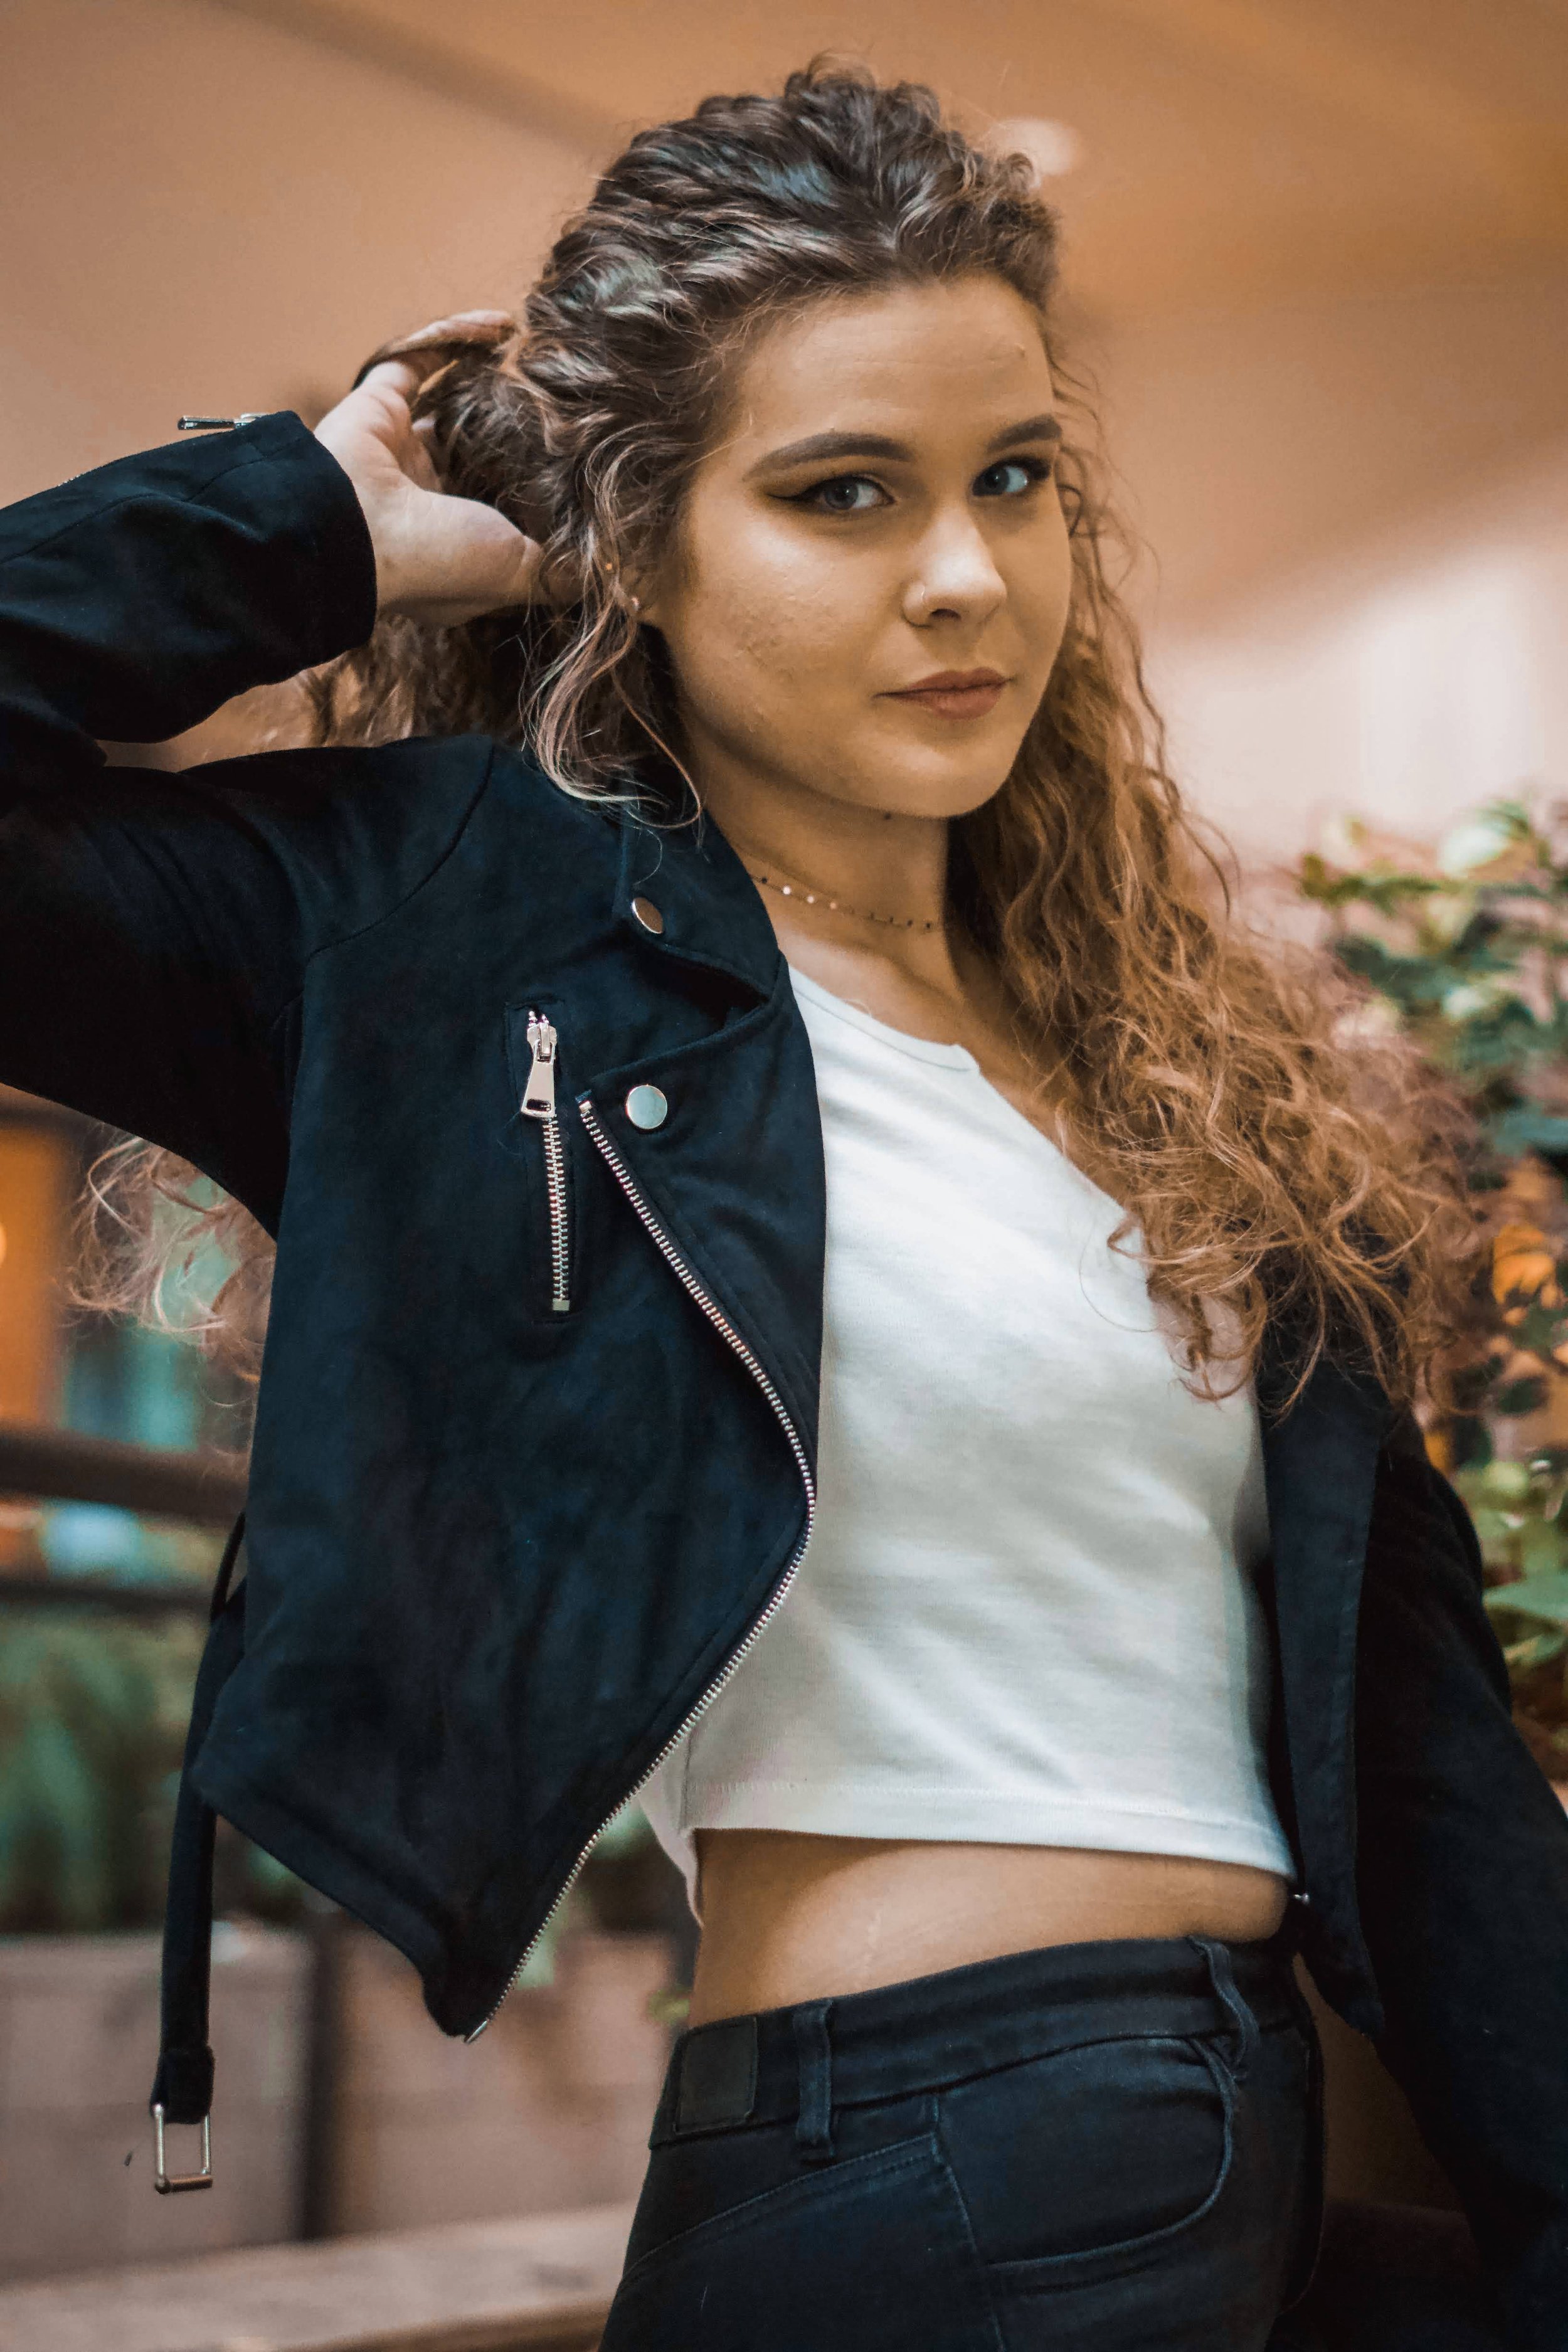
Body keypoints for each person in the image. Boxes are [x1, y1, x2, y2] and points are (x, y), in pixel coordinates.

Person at [2, 60, 1565, 2351]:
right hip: (917, 2167)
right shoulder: (458, 941)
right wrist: (301, 527)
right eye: (843, 495)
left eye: (1014, 480)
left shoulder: (1167, 1077)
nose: (965, 578)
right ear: (636, 543)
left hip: (1257, 2163)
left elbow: (1420, 1755)